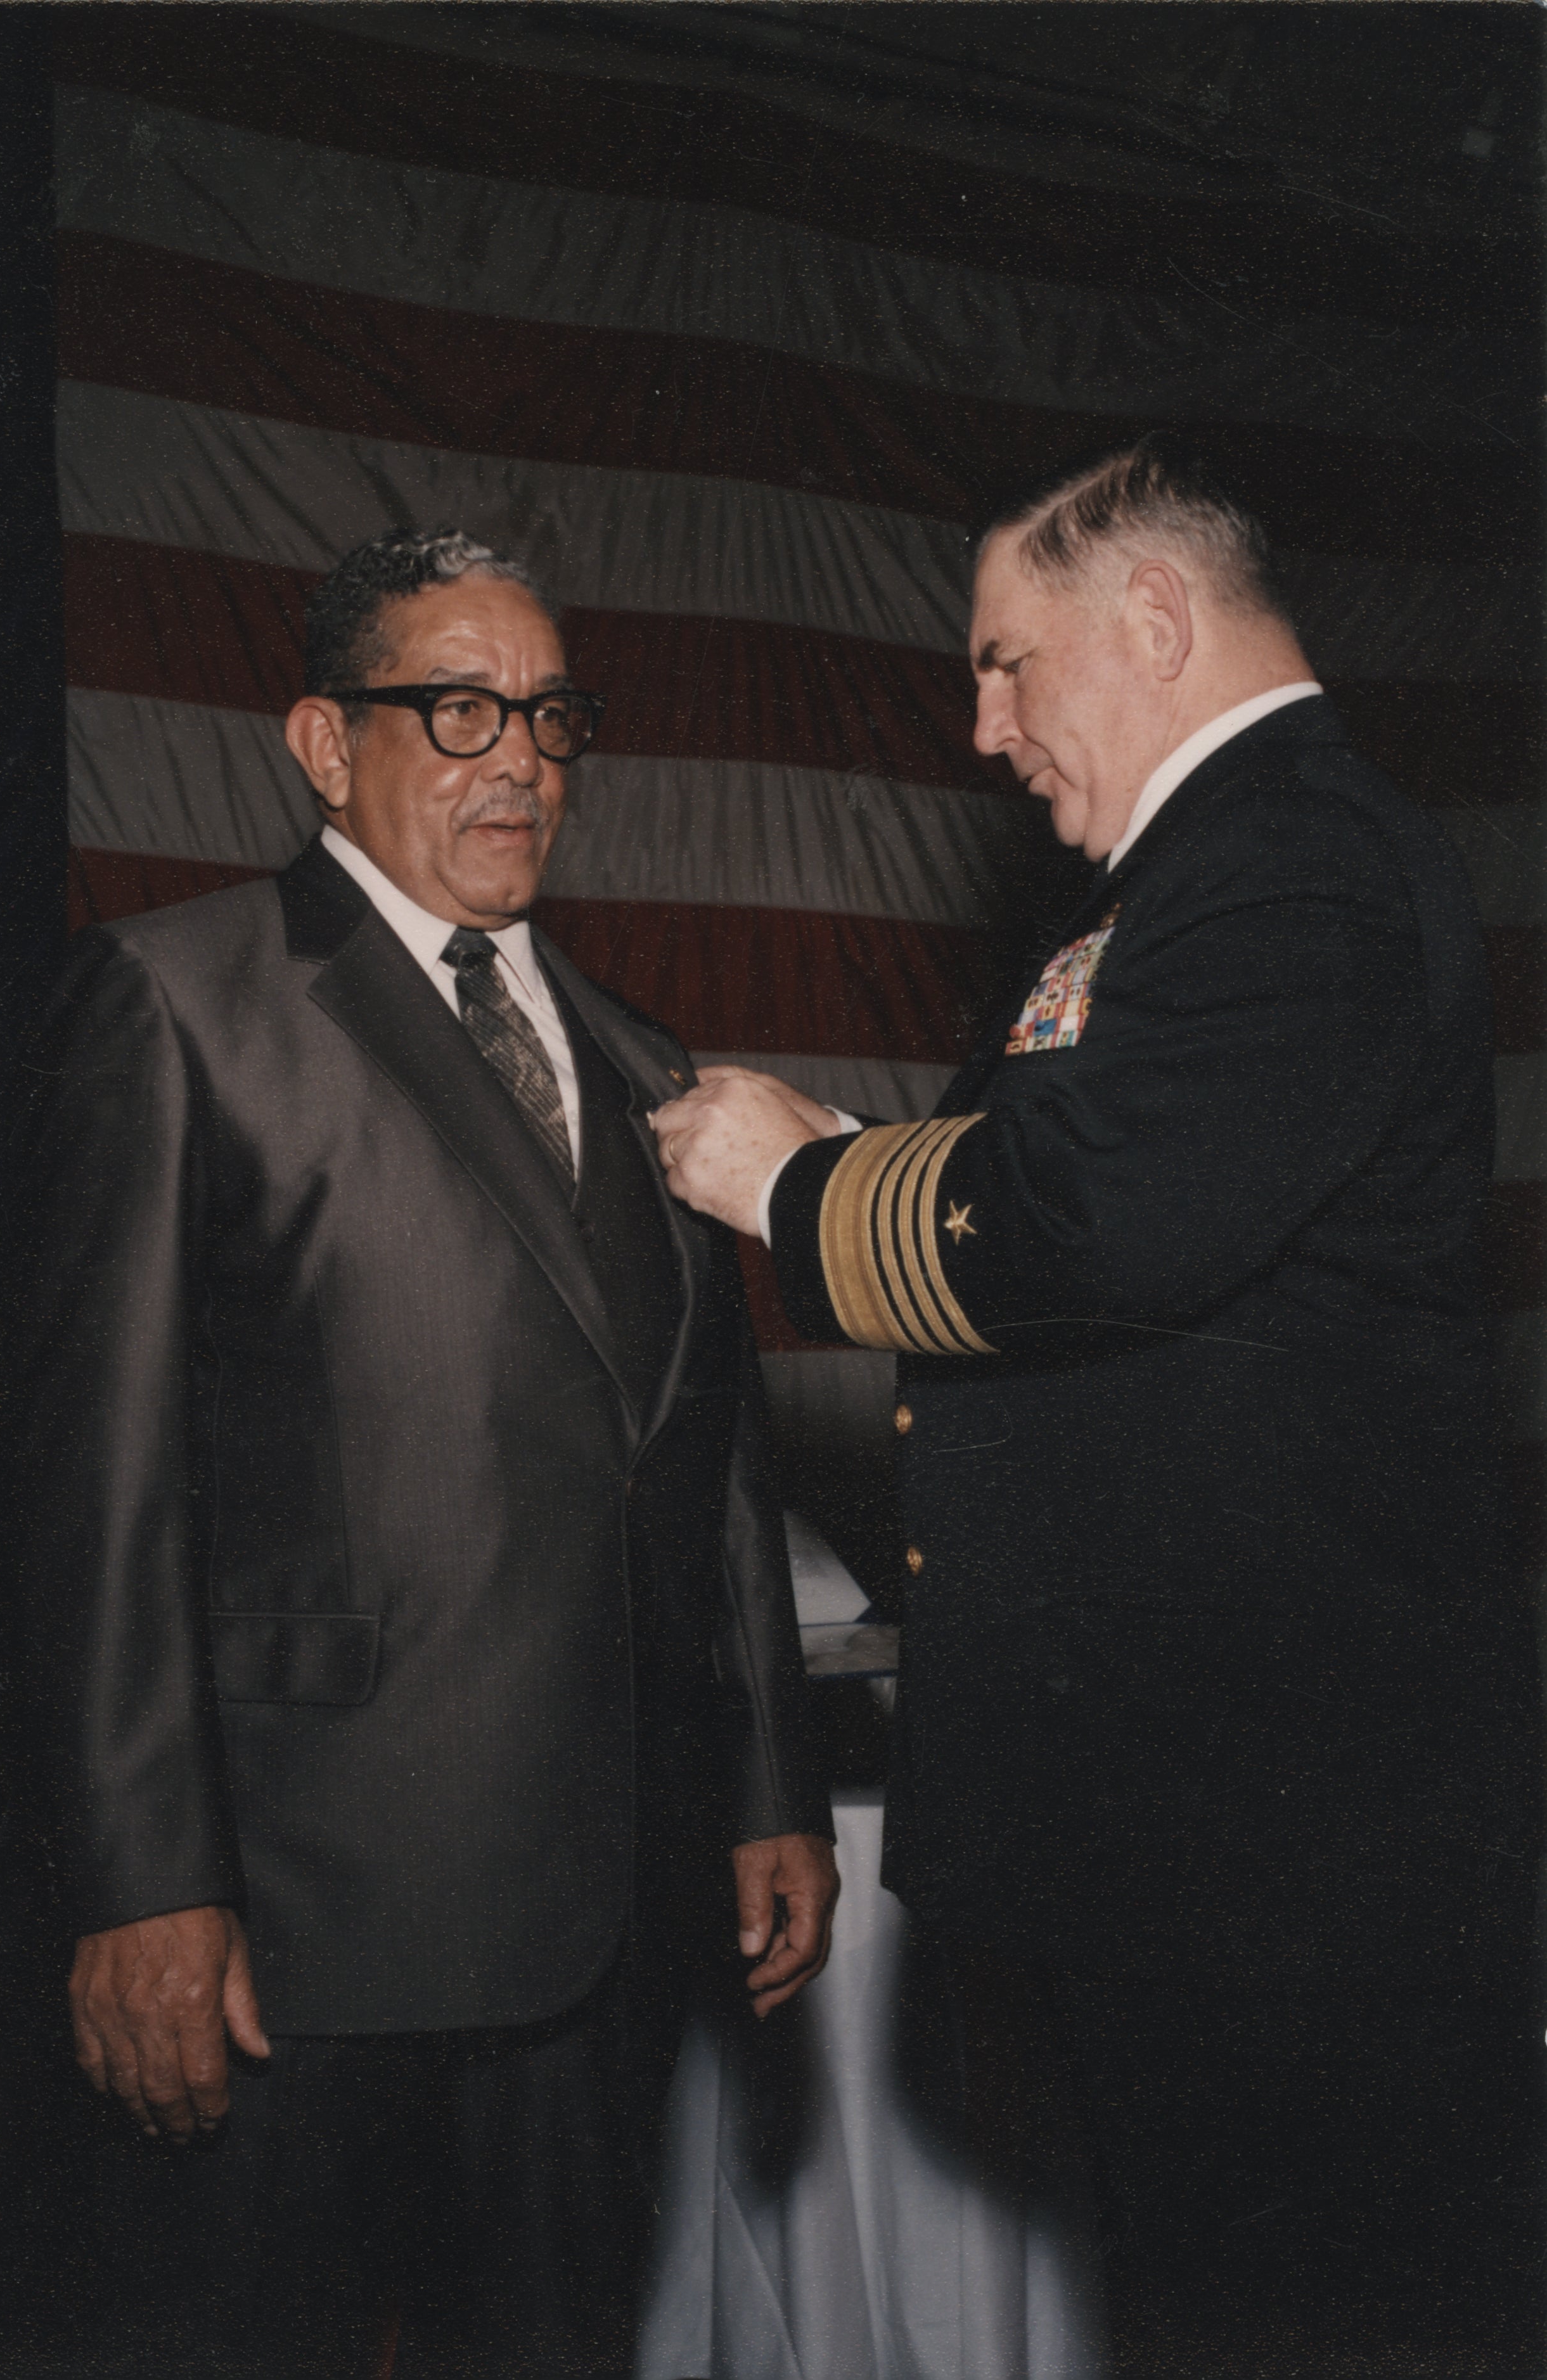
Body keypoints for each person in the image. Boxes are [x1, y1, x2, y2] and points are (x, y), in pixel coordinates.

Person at [652, 438, 1543, 2375]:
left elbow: (1099, 1216)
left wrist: (799, 1182)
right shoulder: (1193, 879)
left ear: (1151, 616)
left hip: (1290, 1852)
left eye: (1005, 662)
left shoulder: (1289, 851)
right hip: (1205, 1823)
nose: (984, 727)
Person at [0, 527, 837, 2380]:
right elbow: (95, 1501)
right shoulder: (177, 999)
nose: (518, 757)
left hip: (606, 1938)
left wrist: (768, 1774)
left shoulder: (642, 1062)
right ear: (321, 739)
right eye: (457, 707)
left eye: (549, 715)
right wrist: (142, 1883)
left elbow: (711, 1463)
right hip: (292, 1940)